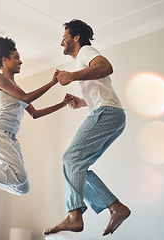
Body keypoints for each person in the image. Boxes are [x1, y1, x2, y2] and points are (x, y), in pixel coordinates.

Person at [0, 37, 74, 198]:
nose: (21, 62)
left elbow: (35, 114)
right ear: (5, 60)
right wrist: (51, 83)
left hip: (9, 137)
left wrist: (63, 103)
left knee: (22, 187)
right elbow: (26, 98)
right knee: (19, 176)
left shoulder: (16, 89)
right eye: (16, 58)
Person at [44, 19, 130, 236]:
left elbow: (106, 67)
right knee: (77, 165)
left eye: (64, 38)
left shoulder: (85, 51)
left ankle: (74, 215)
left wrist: (71, 76)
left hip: (107, 112)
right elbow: (101, 87)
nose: (61, 42)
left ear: (76, 37)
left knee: (70, 158)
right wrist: (83, 101)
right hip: (112, 114)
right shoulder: (82, 60)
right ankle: (115, 207)